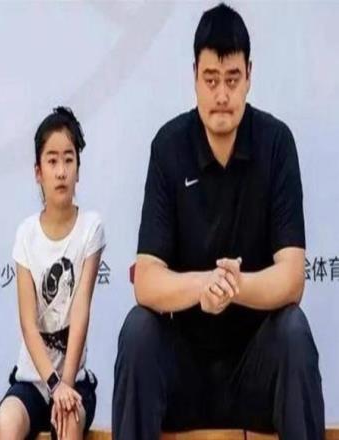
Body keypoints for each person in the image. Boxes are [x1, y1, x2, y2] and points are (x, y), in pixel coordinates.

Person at [112, 4, 324, 440]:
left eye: (232, 79)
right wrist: (205, 286)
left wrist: (234, 288)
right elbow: (146, 280)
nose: (222, 94)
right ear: (194, 75)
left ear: (249, 75)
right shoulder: (169, 147)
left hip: (256, 368)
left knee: (294, 331)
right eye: (210, 80)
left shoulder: (276, 144)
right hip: (185, 372)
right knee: (138, 331)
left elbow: (292, 278)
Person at [0, 107, 105, 440]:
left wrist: (65, 386)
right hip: (32, 381)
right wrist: (53, 385)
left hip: (74, 381)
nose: (61, 171)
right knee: (6, 421)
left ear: (78, 169)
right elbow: (28, 323)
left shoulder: (91, 228)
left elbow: (80, 311)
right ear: (38, 172)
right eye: (52, 161)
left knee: (68, 420)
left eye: (69, 160)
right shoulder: (26, 234)